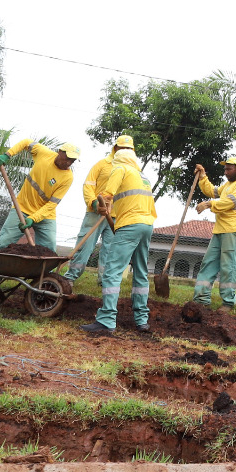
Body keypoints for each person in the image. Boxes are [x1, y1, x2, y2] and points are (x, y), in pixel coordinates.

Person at [0, 139, 80, 299]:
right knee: (4, 243)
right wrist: (7, 155)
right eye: (67, 158)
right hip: (21, 207)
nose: (68, 162)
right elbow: (27, 142)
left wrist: (33, 218)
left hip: (45, 214)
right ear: (60, 152)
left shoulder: (68, 177)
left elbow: (51, 204)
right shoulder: (43, 153)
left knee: (49, 251)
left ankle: (45, 283)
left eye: (72, 160)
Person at [82, 143, 157, 337]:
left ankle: (106, 320)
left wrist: (103, 205)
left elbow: (106, 195)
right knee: (140, 273)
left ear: (118, 160)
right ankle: (142, 320)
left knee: (112, 272)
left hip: (129, 225)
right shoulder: (143, 177)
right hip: (147, 225)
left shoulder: (120, 169)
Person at [60, 135, 133, 289]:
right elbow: (88, 186)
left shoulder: (131, 170)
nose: (124, 151)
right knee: (85, 245)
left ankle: (105, 282)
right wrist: (94, 203)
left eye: (128, 149)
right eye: (122, 148)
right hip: (96, 213)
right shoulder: (102, 165)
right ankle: (71, 277)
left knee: (111, 251)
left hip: (116, 217)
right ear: (115, 148)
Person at [191, 157, 236, 308]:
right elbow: (212, 191)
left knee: (228, 266)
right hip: (220, 229)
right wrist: (203, 176)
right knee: (208, 263)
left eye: (228, 169)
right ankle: (201, 300)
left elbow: (229, 202)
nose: (225, 172)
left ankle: (228, 302)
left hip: (234, 229)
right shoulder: (227, 185)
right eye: (225, 169)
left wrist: (208, 204)